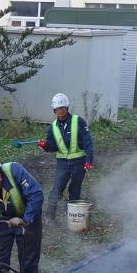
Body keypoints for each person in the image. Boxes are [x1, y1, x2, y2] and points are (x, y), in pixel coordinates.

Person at [35, 92, 94, 220]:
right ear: (54, 110)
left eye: (63, 108)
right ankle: (49, 216)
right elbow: (52, 146)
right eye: (58, 109)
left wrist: (89, 160)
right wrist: (44, 145)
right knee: (57, 187)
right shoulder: (53, 127)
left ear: (67, 108)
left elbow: (88, 141)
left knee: (75, 188)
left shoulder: (78, 121)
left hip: (79, 161)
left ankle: (72, 216)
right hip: (62, 163)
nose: (61, 111)